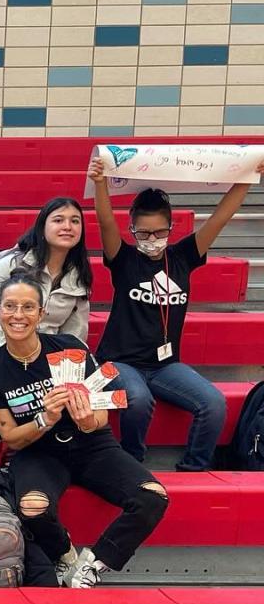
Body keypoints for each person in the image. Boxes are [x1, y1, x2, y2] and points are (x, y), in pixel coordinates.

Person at [0, 272, 168, 587]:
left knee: (153, 497)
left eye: (28, 307)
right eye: (10, 306)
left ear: (41, 313)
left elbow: (101, 414)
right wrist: (45, 419)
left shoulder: (68, 348)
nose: (18, 315)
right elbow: (10, 437)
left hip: (92, 445)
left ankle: (93, 564)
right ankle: (65, 556)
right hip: (39, 452)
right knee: (32, 508)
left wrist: (88, 420)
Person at [91, 158, 256, 471]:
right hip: (119, 362)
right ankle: (131, 464)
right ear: (132, 230)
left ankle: (194, 468)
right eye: (143, 233)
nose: (152, 240)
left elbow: (220, 218)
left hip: (165, 366)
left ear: (171, 228)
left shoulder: (182, 257)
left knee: (213, 402)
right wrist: (100, 183)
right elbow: (105, 222)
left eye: (159, 232)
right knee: (138, 399)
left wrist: (246, 178)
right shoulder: (123, 258)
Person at [0, 197, 93, 357]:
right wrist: (19, 354)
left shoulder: (78, 277)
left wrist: (53, 361)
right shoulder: (12, 263)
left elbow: (75, 335)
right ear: (42, 226)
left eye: (75, 221)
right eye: (58, 220)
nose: (67, 227)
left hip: (47, 359)